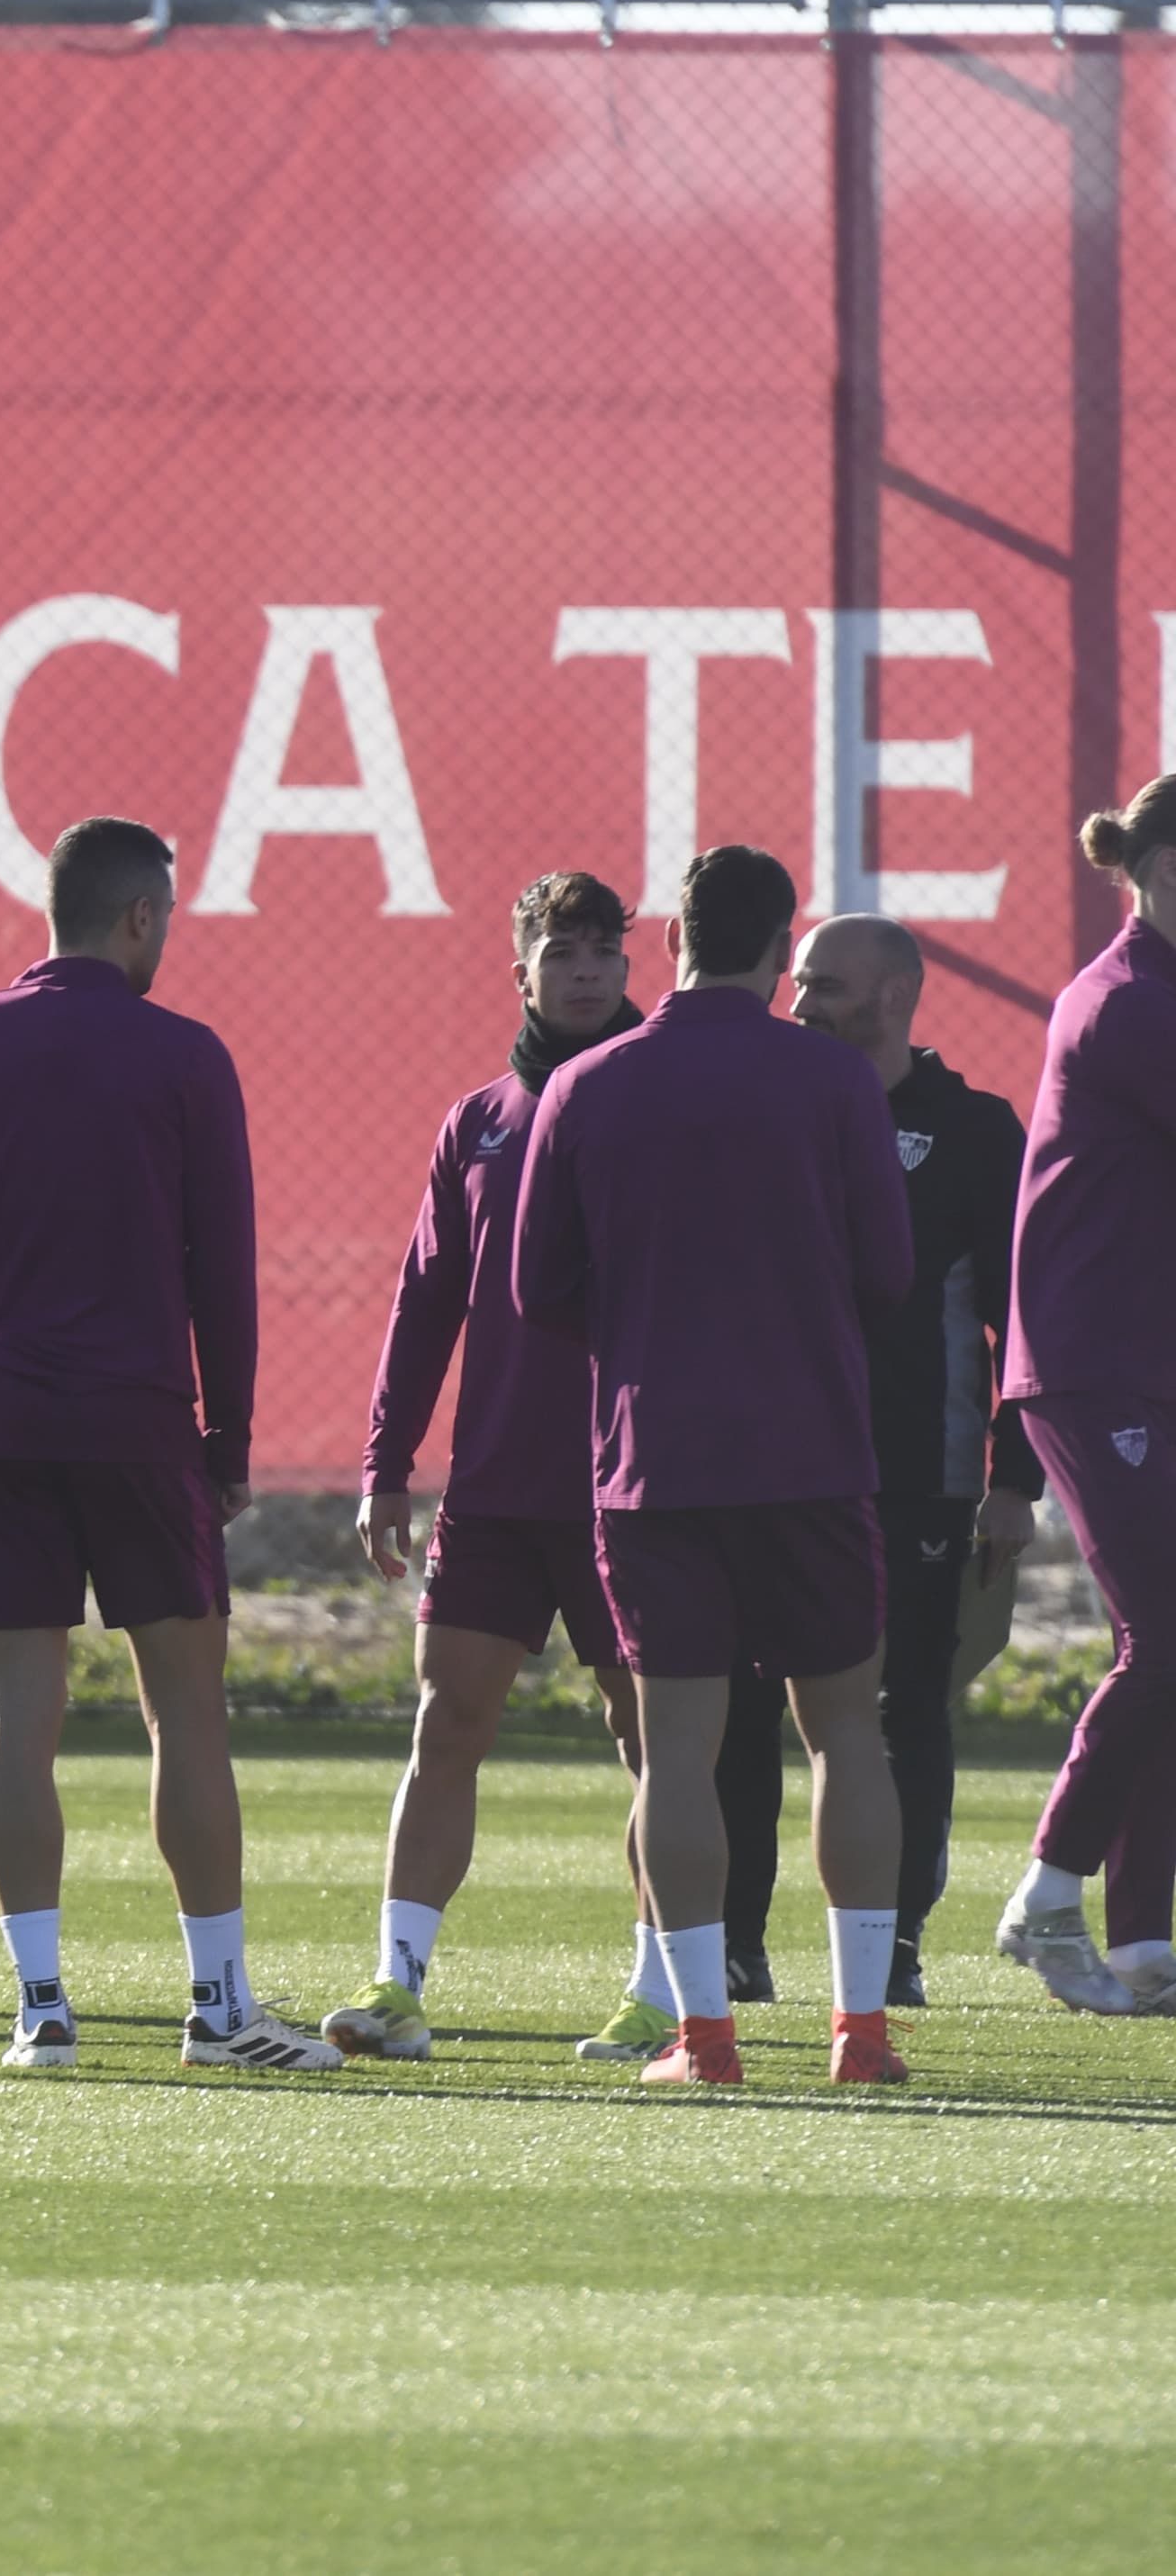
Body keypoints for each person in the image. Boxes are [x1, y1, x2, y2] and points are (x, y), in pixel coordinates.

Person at [0, 816, 337, 2072]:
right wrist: (232, 1432)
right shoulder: (185, 1055)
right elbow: (226, 1270)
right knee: (186, 1719)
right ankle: (219, 2010)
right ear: (140, 915)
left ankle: (40, 2008)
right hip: (142, 1423)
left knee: (16, 1722)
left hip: (2, 1419)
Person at [513, 843, 914, 2086]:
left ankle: (707, 2036)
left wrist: (645, 1338)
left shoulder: (587, 1085)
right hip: (809, 1448)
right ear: (776, 940)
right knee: (848, 1731)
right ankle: (861, 2033)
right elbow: (890, 1275)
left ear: (671, 935)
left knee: (677, 1749)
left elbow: (539, 1289)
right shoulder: (833, 1081)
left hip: (658, 1460)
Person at [330, 870, 662, 2065]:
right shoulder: (476, 1120)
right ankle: (397, 1986)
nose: (584, 969)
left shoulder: (657, 1103)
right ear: (518, 967)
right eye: (561, 950)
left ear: (631, 965)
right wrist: (386, 1463)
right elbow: (426, 1302)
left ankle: (661, 1993)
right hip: (495, 1487)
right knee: (447, 1719)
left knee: (652, 1739)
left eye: (602, 950)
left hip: (631, 1482)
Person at [705, 915, 1044, 2011]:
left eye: (823, 983)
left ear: (894, 994)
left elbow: (1021, 1316)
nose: (799, 1002)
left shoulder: (975, 1130)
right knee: (749, 1703)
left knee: (903, 1711)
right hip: (775, 1461)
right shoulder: (776, 1107)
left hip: (920, 1468)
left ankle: (892, 1945)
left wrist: (1011, 1476)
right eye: (796, 979)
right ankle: (736, 1947)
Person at [986, 775, 1176, 2018]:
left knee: (1162, 1645)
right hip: (1098, 1362)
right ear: (1149, 866)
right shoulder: (1127, 1003)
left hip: (1142, 1356)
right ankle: (1048, 1896)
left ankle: (1145, 1939)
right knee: (1166, 1635)